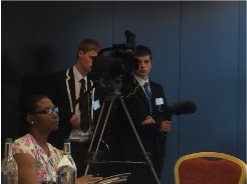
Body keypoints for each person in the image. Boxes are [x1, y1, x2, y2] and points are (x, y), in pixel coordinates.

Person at [43, 39, 105, 177]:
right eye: (91, 58)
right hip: (65, 143)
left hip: (89, 145)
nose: (94, 63)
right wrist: (67, 115)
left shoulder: (96, 84)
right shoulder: (58, 79)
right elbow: (47, 108)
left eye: (97, 60)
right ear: (80, 53)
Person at [12, 95, 102, 184]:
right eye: (48, 111)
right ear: (31, 118)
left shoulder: (56, 152)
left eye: (55, 110)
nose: (55, 115)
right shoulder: (22, 147)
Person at [117, 45, 172, 183]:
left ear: (151, 63)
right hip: (135, 149)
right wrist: (154, 125)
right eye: (138, 62)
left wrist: (158, 124)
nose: (142, 66)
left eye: (146, 61)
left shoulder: (157, 88)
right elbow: (129, 117)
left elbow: (164, 112)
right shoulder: (125, 87)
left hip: (156, 148)